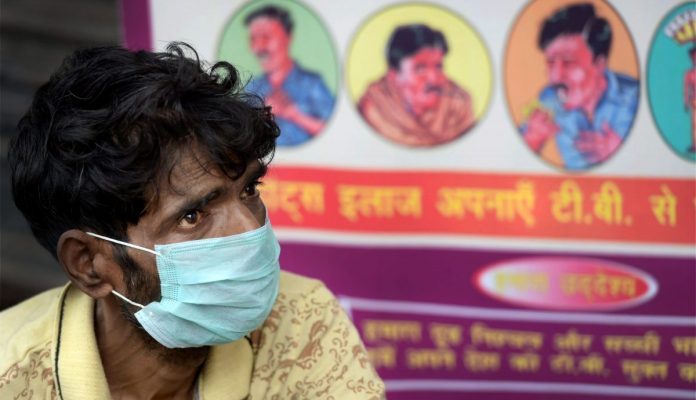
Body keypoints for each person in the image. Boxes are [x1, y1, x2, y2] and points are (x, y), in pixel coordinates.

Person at [0, 43, 384, 399]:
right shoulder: (11, 377)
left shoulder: (303, 322)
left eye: (249, 190)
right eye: (192, 216)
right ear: (90, 264)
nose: (250, 229)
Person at [519, 3, 639, 170]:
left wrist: (627, 154)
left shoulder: (634, 100)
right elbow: (511, 153)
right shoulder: (549, 97)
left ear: (599, 64)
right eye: (551, 63)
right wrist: (532, 139)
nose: (555, 76)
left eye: (568, 63)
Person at [358, 24, 475, 147]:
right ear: (393, 76)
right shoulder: (375, 109)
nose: (434, 79)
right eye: (420, 69)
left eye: (438, 67)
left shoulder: (458, 105)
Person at [245, 5, 335, 147]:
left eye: (266, 37)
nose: (259, 47)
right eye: (253, 39)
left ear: (288, 38)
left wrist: (293, 114)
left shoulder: (312, 84)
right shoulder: (251, 88)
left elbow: (336, 130)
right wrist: (261, 115)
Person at [684, 46, 696, 153]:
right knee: (694, 124)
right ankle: (695, 145)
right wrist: (686, 102)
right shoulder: (689, 74)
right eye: (693, 57)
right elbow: (687, 88)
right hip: (694, 101)